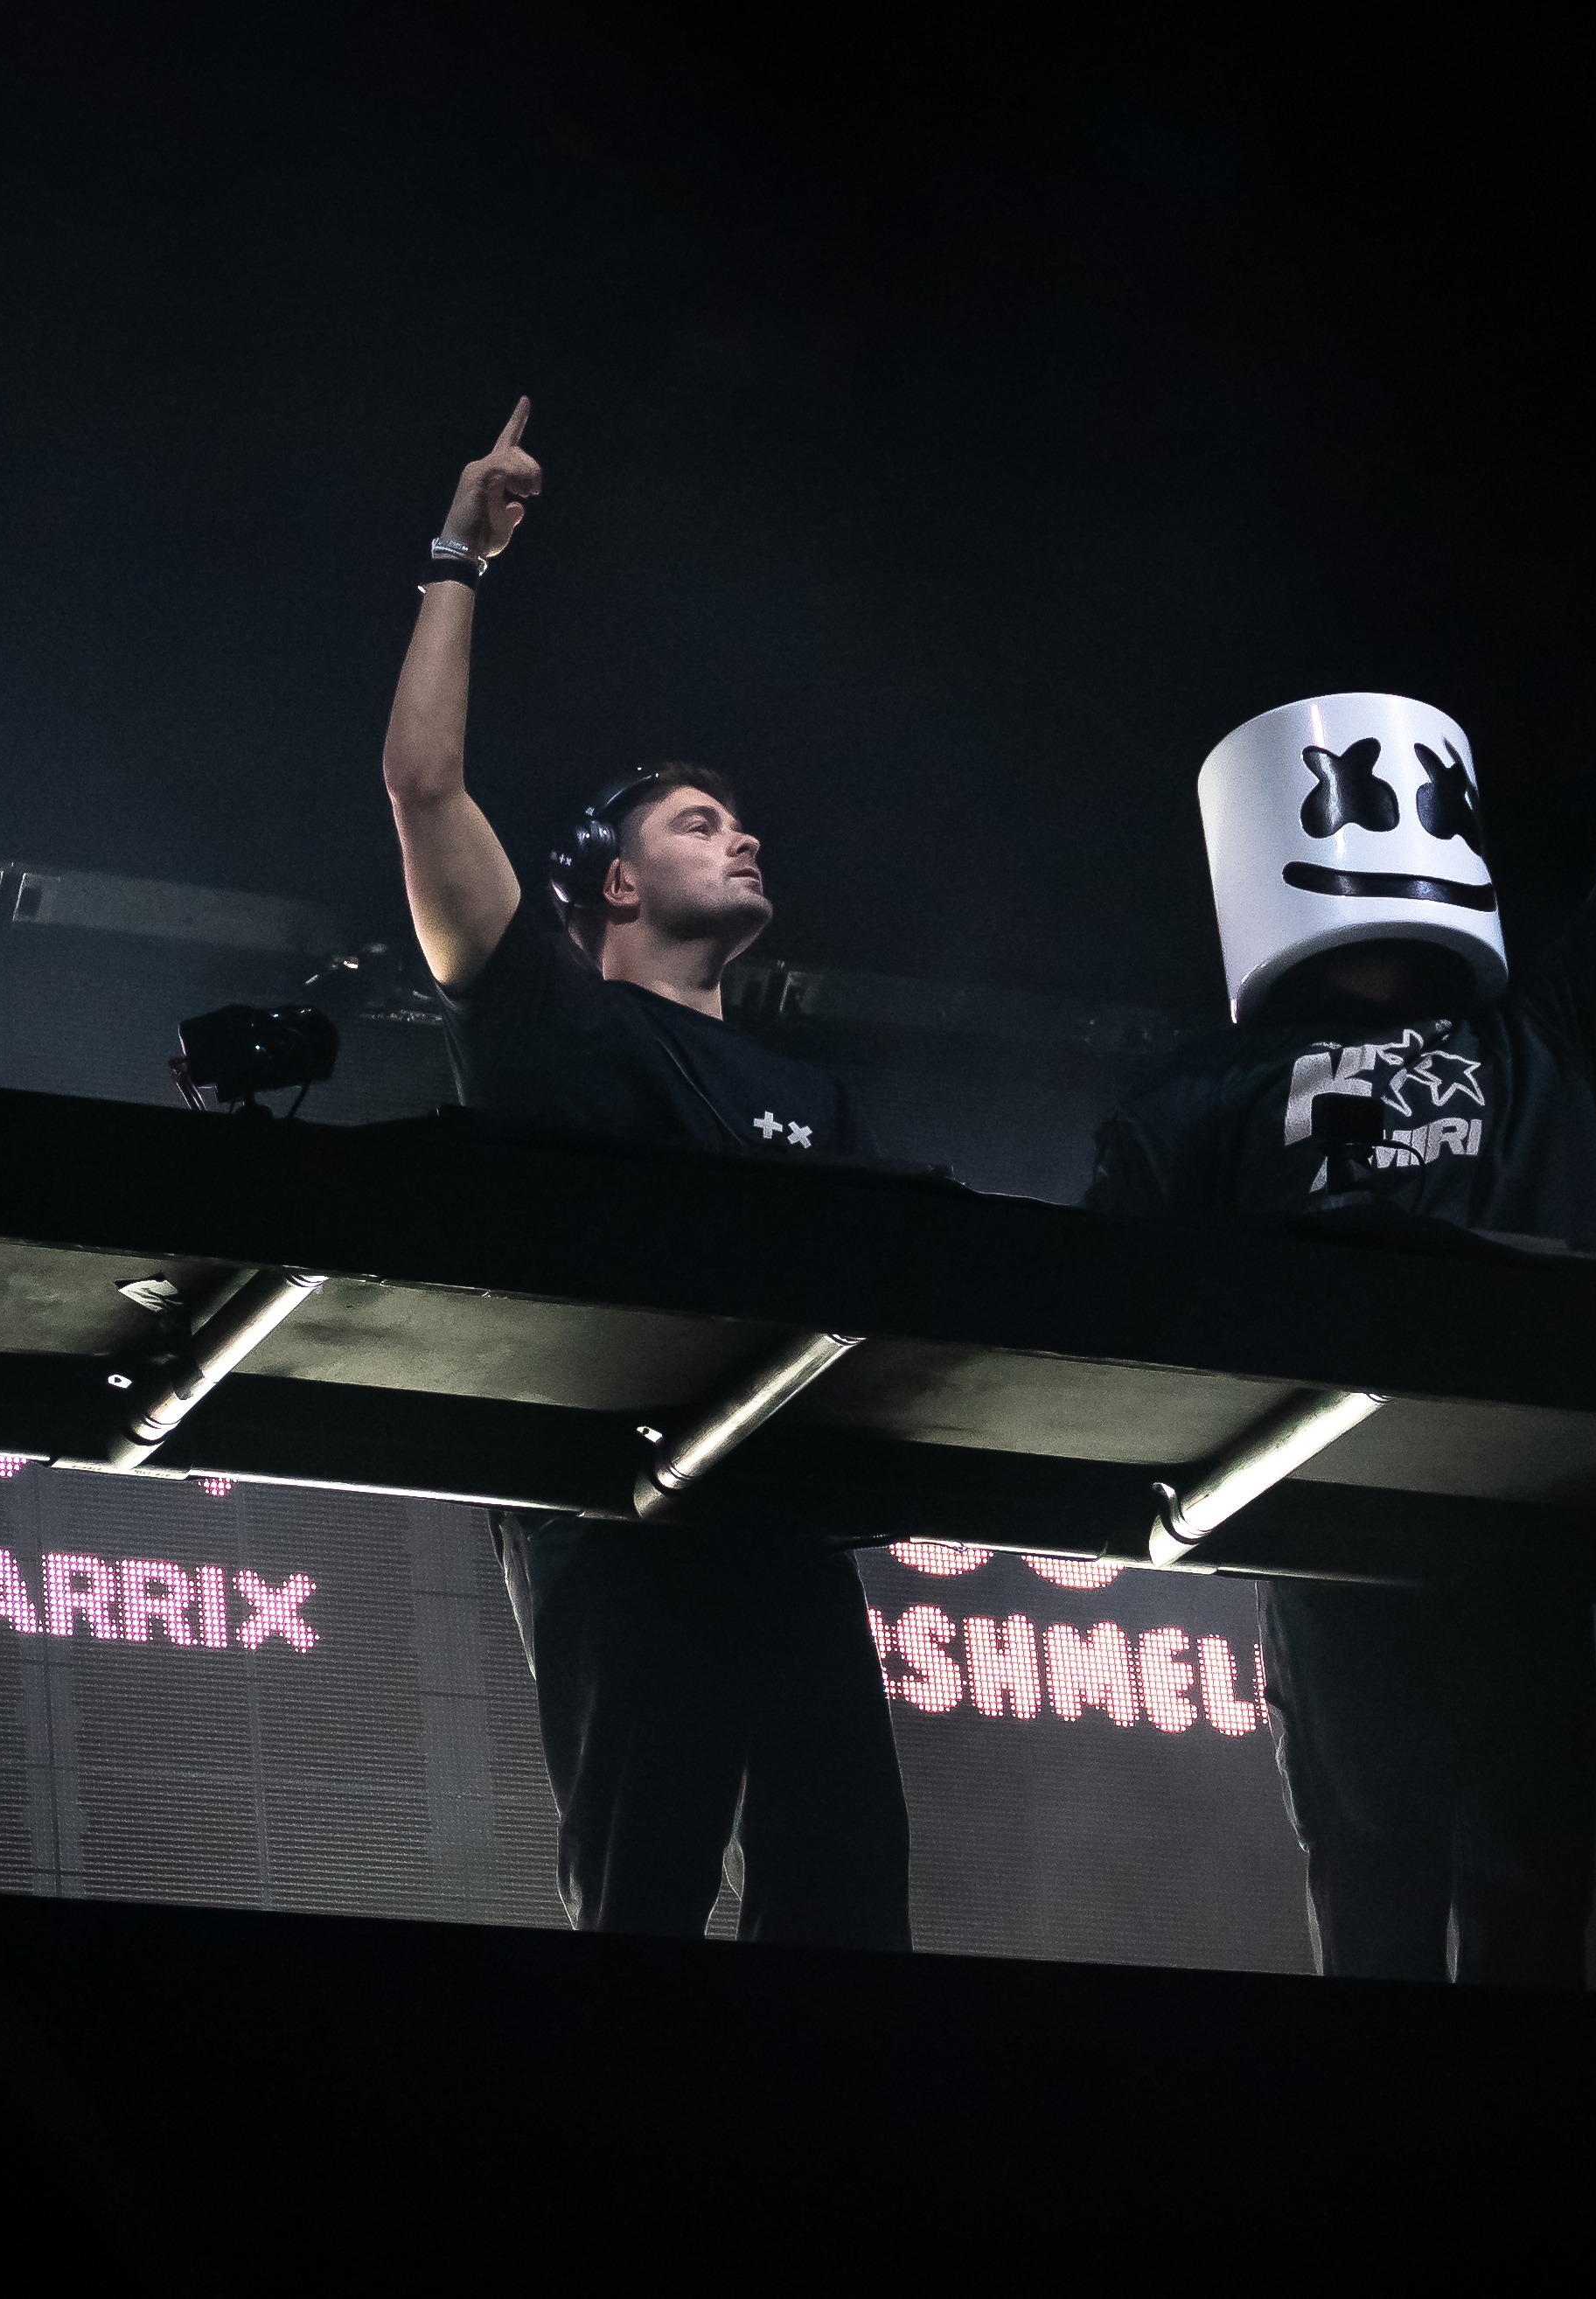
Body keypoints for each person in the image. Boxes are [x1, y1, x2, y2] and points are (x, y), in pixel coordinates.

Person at [1084, 460, 1596, 1986]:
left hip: (1511, 1509)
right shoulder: (1208, 1086)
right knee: (1373, 1896)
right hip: (1332, 1524)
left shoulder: (1536, 1036)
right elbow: (1105, 1288)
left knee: (1527, 1908)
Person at [378, 395, 909, 1948]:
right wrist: (458, 559)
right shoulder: (553, 1017)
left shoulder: (812, 1093)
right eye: (698, 821)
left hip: (781, 1515)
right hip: (612, 1511)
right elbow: (424, 788)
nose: (743, 839)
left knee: (847, 1874)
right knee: (646, 1864)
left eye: (743, 823)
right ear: (616, 881)